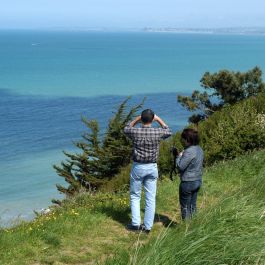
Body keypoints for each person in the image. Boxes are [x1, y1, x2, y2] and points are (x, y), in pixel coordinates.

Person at [124, 109, 172, 233]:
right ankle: (147, 227)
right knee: (150, 198)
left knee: (135, 195)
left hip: (138, 166)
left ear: (142, 119)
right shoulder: (157, 132)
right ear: (152, 119)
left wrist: (136, 119)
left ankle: (135, 224)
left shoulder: (136, 132)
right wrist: (159, 119)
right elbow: (169, 131)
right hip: (152, 167)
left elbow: (126, 128)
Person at [176, 128, 204, 220]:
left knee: (185, 207)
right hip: (197, 180)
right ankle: (195, 225)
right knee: (193, 206)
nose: (182, 141)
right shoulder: (199, 149)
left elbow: (180, 167)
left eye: (182, 139)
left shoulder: (188, 151)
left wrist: (178, 157)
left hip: (188, 182)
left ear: (187, 140)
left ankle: (186, 229)